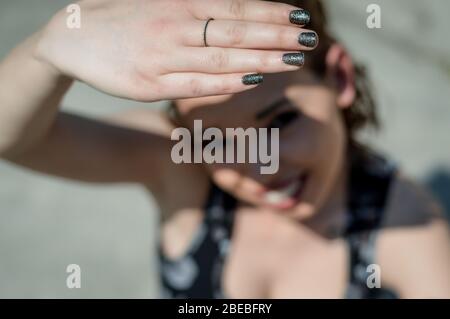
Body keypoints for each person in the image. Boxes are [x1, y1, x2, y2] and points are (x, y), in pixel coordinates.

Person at [0, 0, 449, 298]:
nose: (258, 163)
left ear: (339, 78)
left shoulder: (402, 226)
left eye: (279, 121)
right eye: (214, 139)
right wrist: (50, 48)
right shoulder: (178, 165)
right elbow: (13, 139)